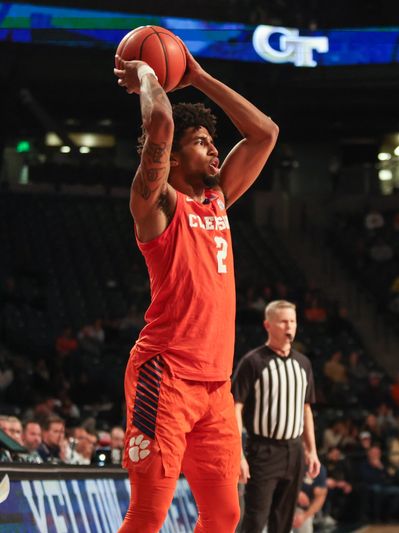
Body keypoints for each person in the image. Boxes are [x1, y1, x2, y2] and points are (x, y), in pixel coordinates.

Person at [113, 42, 278, 533]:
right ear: (173, 156)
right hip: (164, 374)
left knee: (225, 515)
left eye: (212, 141)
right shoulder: (157, 202)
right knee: (147, 516)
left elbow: (265, 133)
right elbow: (159, 125)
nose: (212, 148)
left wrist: (199, 75)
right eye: (202, 141)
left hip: (215, 385)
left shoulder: (217, 199)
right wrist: (149, 74)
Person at [233, 300, 320, 533]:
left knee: (284, 520)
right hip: (262, 450)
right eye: (283, 321)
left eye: (292, 321)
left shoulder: (303, 364)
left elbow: (306, 410)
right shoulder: (252, 362)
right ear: (268, 325)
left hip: (294, 450)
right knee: (255, 519)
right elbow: (234, 409)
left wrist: (311, 450)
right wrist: (238, 454)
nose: (289, 326)